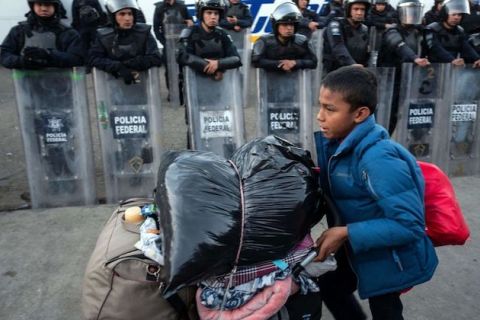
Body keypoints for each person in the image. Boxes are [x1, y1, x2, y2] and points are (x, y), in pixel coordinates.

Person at [314, 66, 438, 320]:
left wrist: (346, 232)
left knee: (385, 309)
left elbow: (410, 224)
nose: (320, 116)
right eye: (321, 106)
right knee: (330, 287)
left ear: (359, 114)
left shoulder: (377, 159)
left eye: (330, 109)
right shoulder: (342, 143)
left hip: (390, 257)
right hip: (360, 248)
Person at [378, 0, 430, 134]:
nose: (412, 15)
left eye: (415, 11)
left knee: (405, 112)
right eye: (409, 11)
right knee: (387, 112)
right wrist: (415, 58)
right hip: (390, 79)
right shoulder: (392, 31)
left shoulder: (419, 31)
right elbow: (399, 45)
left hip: (409, 78)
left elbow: (431, 48)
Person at [88, 0, 162, 85]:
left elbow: (155, 57)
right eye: (122, 14)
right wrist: (117, 67)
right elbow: (94, 58)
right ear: (114, 16)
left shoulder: (144, 32)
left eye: (130, 14)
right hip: (113, 86)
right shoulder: (104, 36)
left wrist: (131, 64)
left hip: (142, 84)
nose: (127, 18)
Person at [1, 0, 84, 69]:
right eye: (39, 4)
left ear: (55, 6)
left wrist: (49, 55)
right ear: (32, 6)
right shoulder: (18, 31)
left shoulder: (68, 33)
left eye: (48, 4)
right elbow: (3, 54)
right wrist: (22, 61)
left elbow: (78, 59)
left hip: (60, 85)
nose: (44, 8)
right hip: (26, 86)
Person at [176, 0, 242, 80]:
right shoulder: (189, 33)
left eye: (216, 13)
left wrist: (218, 63)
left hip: (221, 87)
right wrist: (211, 67)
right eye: (209, 13)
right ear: (201, 15)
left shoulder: (222, 34)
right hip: (194, 85)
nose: (213, 17)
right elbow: (183, 56)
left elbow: (236, 59)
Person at [251, 1, 317, 72]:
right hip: (268, 80)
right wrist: (279, 64)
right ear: (276, 26)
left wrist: (295, 63)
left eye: (291, 25)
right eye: (284, 24)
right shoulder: (264, 41)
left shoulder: (301, 41)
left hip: (296, 81)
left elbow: (313, 62)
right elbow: (256, 61)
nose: (289, 28)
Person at [424, 0, 480, 67]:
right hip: (433, 69)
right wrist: (452, 60)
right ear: (445, 14)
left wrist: (477, 59)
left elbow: (466, 47)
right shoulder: (432, 29)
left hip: (451, 69)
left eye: (459, 15)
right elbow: (435, 48)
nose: (456, 17)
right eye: (453, 14)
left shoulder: (459, 31)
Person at [322, 0, 371, 73]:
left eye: (362, 9)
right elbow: (338, 46)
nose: (359, 13)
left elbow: (366, 53)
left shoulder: (364, 29)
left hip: (356, 71)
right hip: (334, 72)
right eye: (356, 9)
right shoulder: (335, 24)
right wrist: (351, 64)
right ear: (348, 10)